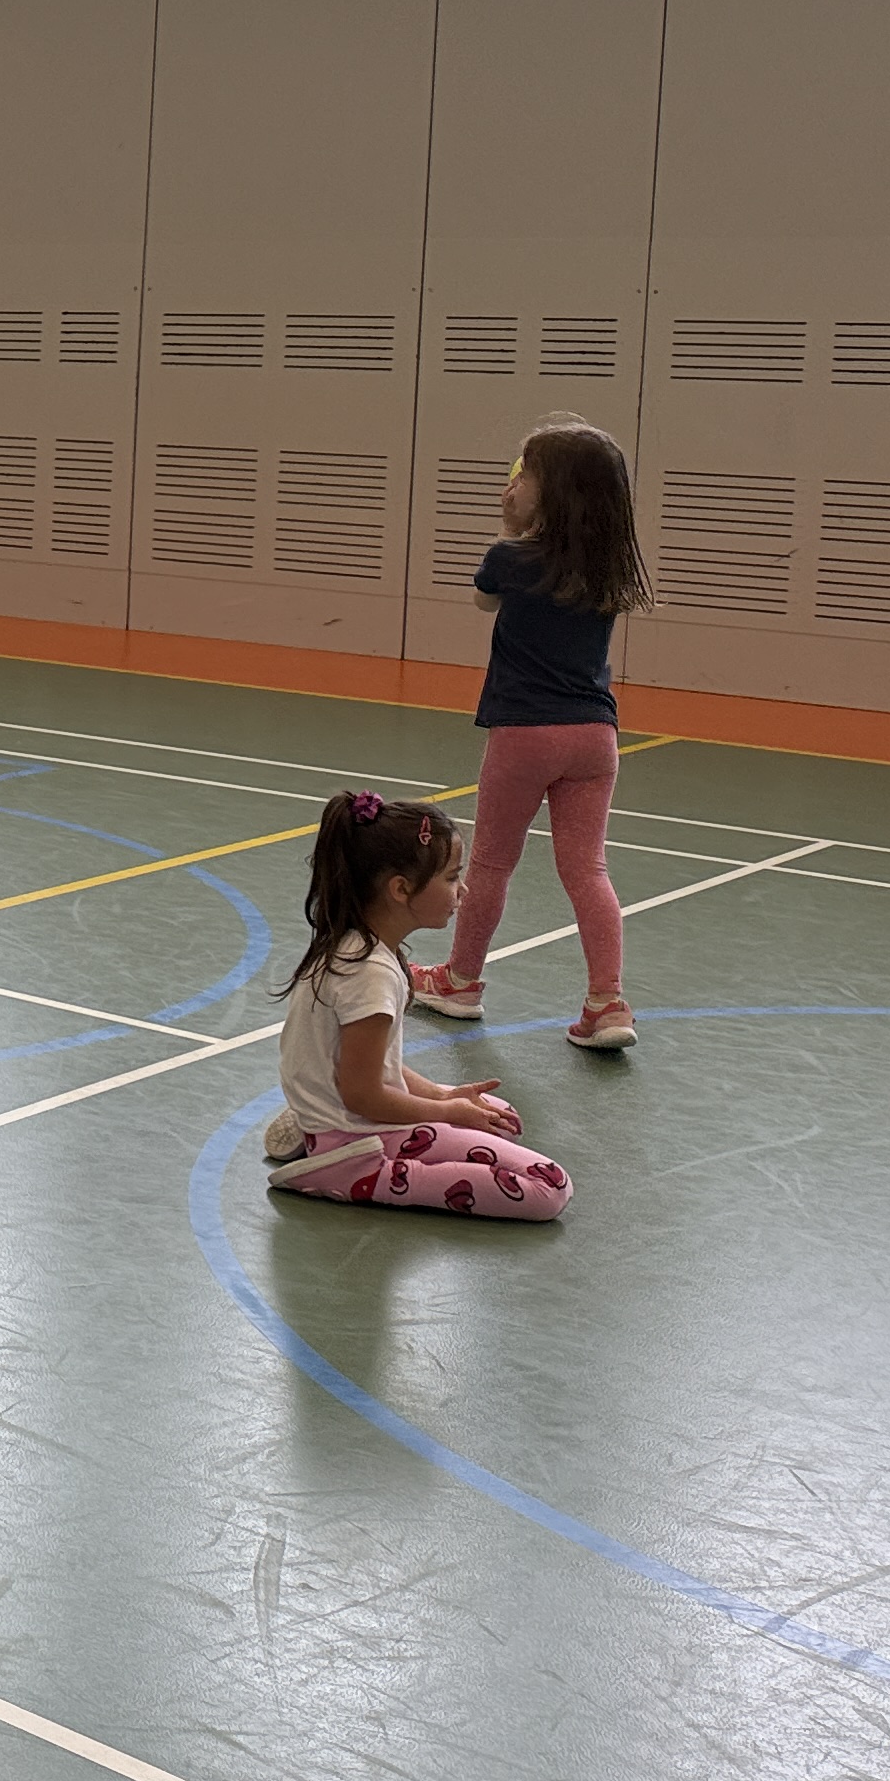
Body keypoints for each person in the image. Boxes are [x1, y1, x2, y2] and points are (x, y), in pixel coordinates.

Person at [408, 418, 651, 1051]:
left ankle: (460, 982)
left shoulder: (510, 558)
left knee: (491, 862)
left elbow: (484, 599)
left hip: (525, 735)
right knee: (588, 870)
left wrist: (511, 531)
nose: (511, 486)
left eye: (523, 474)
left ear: (552, 490)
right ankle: (608, 1002)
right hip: (595, 737)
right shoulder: (607, 568)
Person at [266, 790, 570, 1219]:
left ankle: (314, 1125)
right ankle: (344, 1171)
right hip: (360, 1135)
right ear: (401, 888)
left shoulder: (360, 946)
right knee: (549, 1187)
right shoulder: (370, 975)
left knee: (503, 1118)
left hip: (348, 1114)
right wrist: (446, 1111)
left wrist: (444, 1095)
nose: (462, 890)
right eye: (451, 877)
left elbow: (369, 1067)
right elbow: (362, 1094)